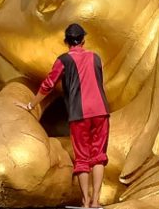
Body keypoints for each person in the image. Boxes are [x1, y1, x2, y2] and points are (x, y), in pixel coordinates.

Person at [16, 24, 110, 209]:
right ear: (83, 40)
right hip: (101, 112)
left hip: (79, 113)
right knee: (98, 156)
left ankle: (85, 203)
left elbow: (48, 84)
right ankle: (96, 201)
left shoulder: (64, 60)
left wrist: (30, 105)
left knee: (82, 158)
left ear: (66, 42)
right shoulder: (95, 58)